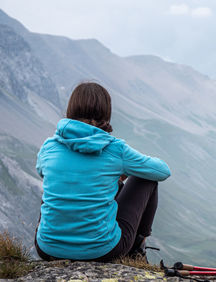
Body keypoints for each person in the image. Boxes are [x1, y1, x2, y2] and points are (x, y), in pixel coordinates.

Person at [34, 82, 171, 262]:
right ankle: (138, 249)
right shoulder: (115, 149)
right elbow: (162, 171)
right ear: (106, 113)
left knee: (55, 183)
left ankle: (57, 238)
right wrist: (122, 171)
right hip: (102, 251)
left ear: (70, 111)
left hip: (47, 249)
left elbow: (42, 173)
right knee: (146, 179)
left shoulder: (49, 146)